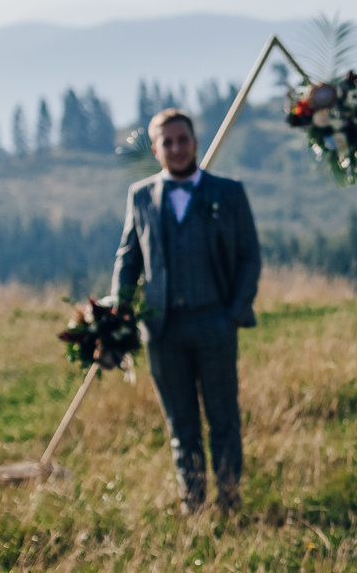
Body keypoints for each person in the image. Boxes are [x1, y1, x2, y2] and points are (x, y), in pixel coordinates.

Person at [109, 107, 261, 514]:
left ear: (195, 143)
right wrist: (119, 311)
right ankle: (192, 505)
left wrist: (235, 311)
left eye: (182, 140)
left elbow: (249, 256)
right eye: (167, 142)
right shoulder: (141, 195)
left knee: (223, 418)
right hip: (163, 330)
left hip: (215, 322)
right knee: (181, 424)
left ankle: (229, 501)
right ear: (156, 150)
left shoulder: (228, 192)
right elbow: (128, 259)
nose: (176, 148)